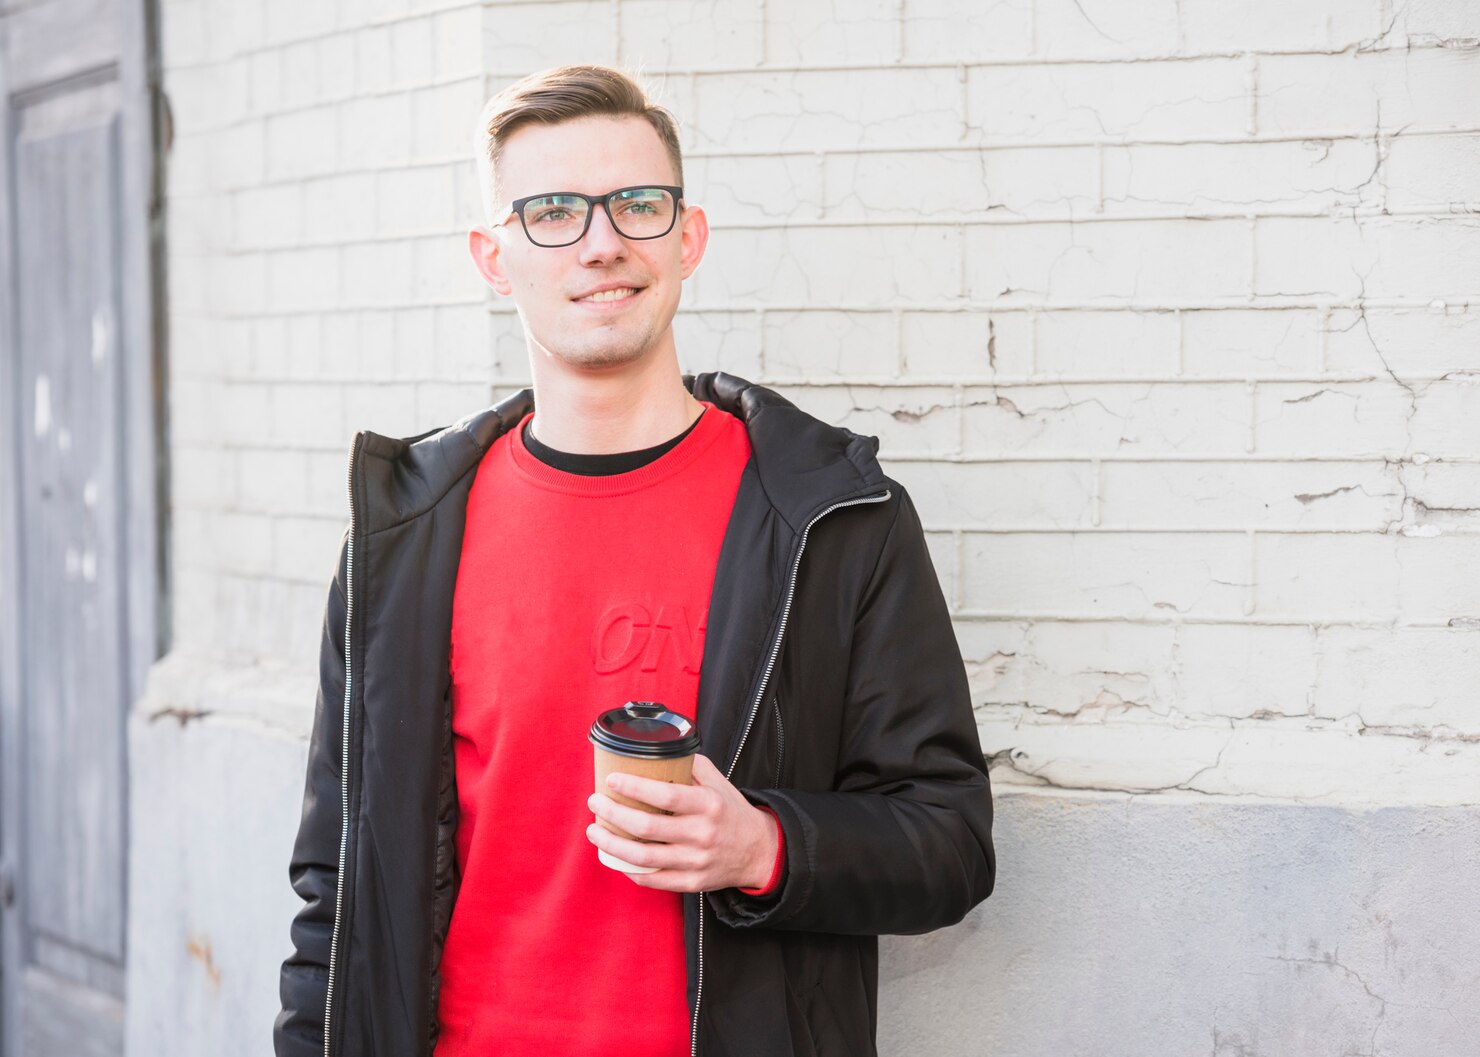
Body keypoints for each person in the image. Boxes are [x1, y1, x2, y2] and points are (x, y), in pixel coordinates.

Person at [274, 64, 995, 1057]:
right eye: (552, 212)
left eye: (637, 205)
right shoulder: (404, 542)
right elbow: (337, 886)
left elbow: (949, 842)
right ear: (493, 258)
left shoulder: (830, 520)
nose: (601, 243)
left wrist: (764, 845)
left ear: (687, 238)